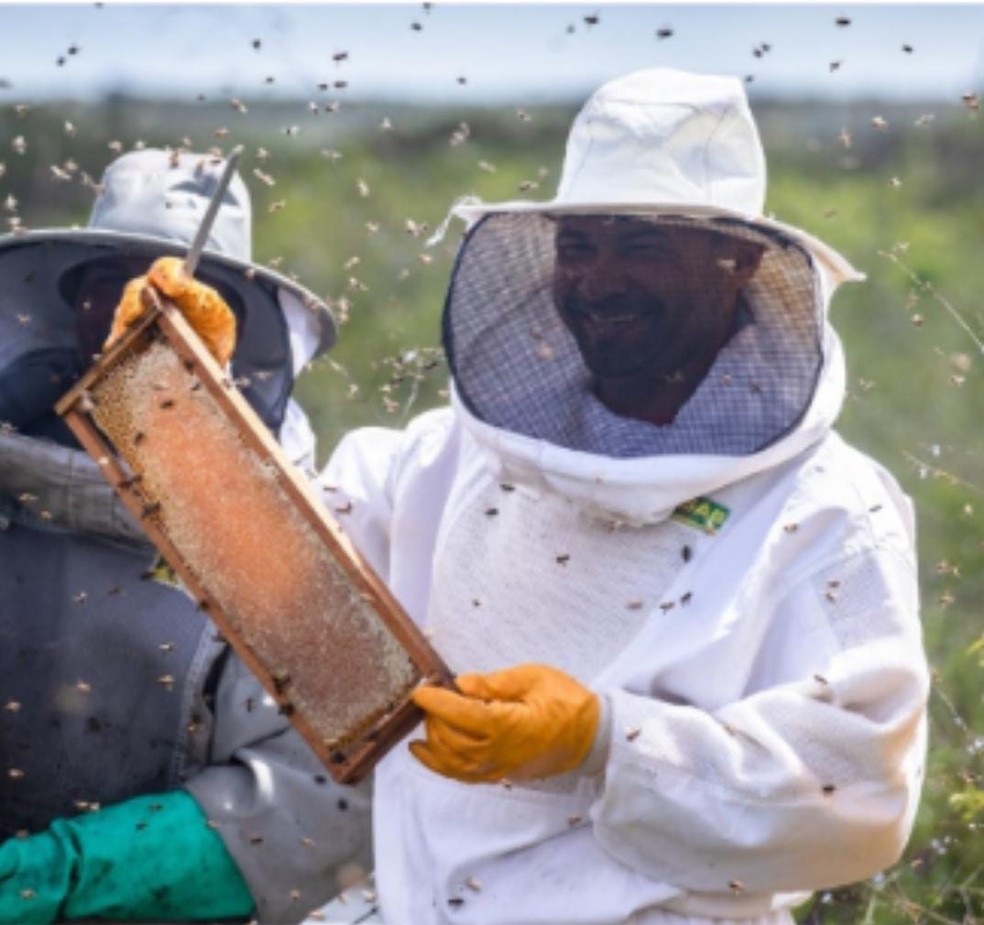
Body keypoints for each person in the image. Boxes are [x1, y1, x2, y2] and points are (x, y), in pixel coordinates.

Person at [121, 69, 929, 925]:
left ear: (740, 262)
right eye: (579, 247)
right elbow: (277, 582)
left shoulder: (826, 509)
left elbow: (861, 794)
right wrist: (186, 399)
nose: (599, 281)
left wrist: (604, 741)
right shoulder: (454, 456)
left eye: (642, 246)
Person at [0, 149, 371, 923]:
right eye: (110, 288)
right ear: (72, 306)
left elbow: (320, 799)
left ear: (234, 322)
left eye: (178, 292)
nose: (137, 311)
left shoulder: (285, 532)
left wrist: (54, 877)